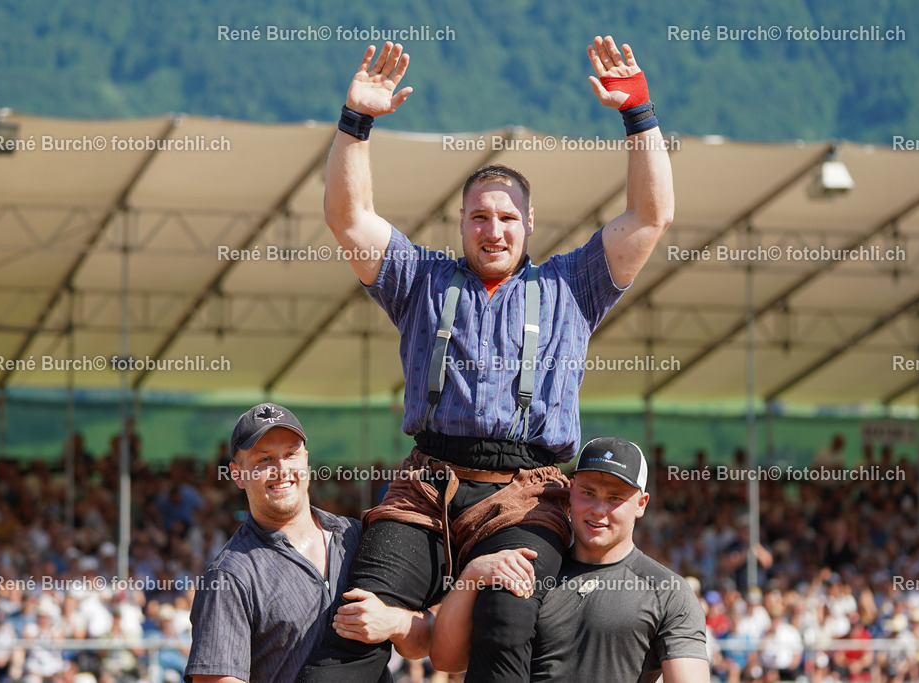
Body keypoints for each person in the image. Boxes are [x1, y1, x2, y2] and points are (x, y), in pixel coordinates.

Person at [300, 33, 673, 683]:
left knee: (507, 609)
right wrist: (355, 123)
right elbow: (347, 216)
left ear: (529, 224)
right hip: (429, 479)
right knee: (356, 618)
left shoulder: (571, 285)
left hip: (526, 492)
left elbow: (651, 215)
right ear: (461, 223)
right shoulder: (421, 278)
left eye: (506, 217)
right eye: (478, 217)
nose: (492, 229)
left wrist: (637, 115)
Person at [184, 403, 433, 683]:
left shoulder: (357, 536)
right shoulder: (229, 576)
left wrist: (393, 622)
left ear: (306, 460)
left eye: (290, 454)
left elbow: (426, 642)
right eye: (263, 459)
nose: (281, 469)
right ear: (237, 474)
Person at [429, 437, 709, 682]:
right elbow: (446, 660)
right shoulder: (528, 566)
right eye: (588, 493)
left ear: (641, 504)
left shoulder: (668, 591)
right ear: (570, 491)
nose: (599, 510)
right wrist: (472, 574)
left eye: (615, 498)